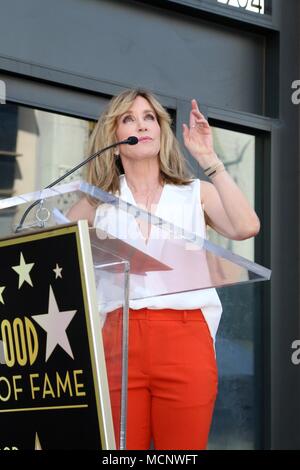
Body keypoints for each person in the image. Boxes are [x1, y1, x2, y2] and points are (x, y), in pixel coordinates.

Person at [68, 88, 260, 450]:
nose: (140, 125)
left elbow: (246, 225)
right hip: (116, 338)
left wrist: (209, 159)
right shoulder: (96, 204)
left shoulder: (192, 193)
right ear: (114, 136)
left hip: (184, 338)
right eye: (128, 118)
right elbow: (52, 251)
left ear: (160, 130)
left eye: (148, 117)